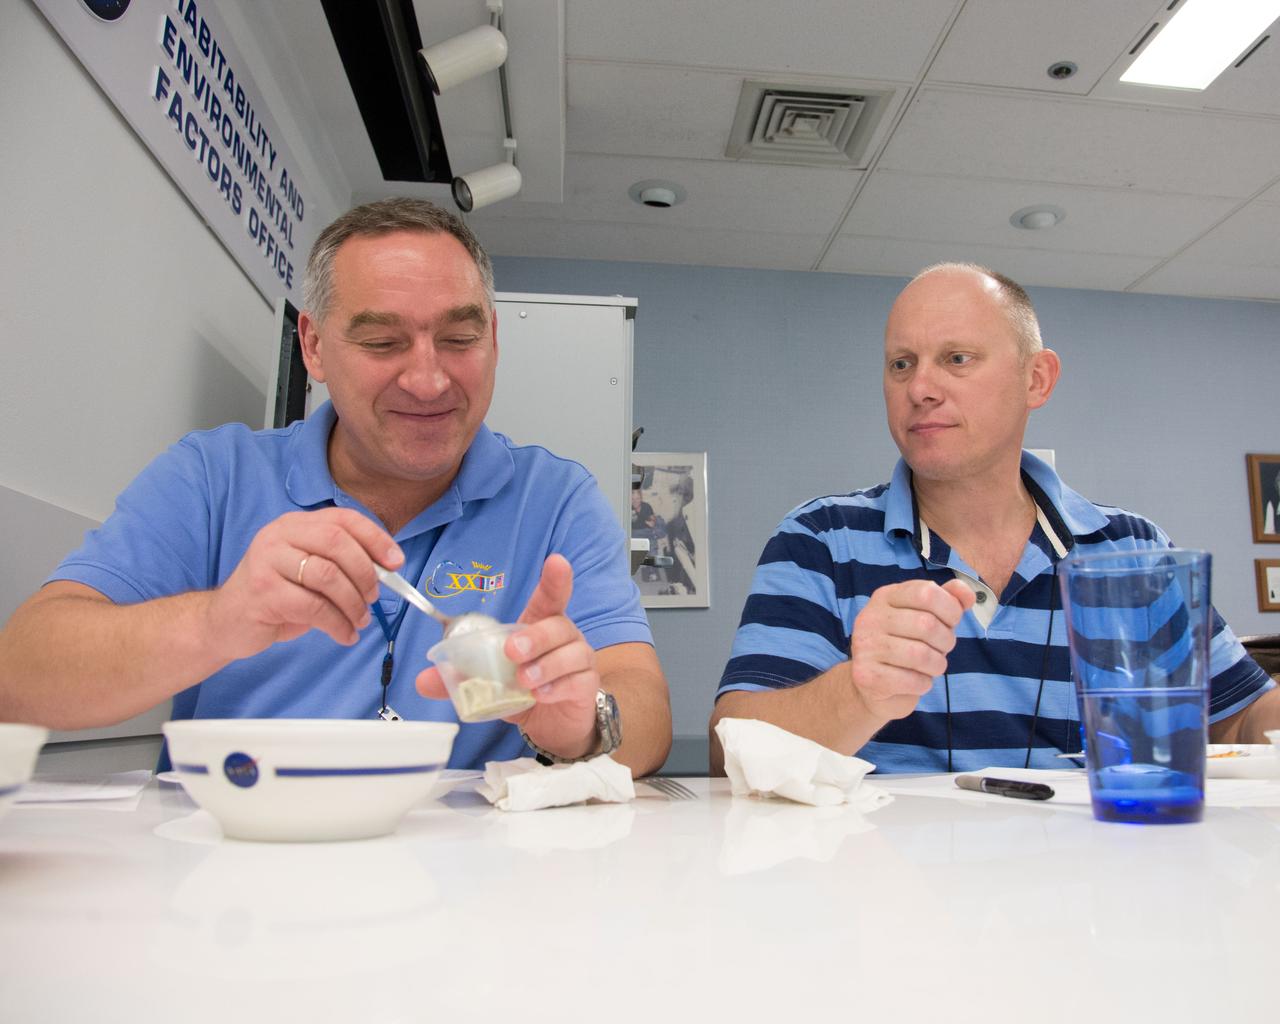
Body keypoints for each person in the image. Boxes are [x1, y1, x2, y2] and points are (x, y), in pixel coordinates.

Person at [0, 198, 672, 775]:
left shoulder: (554, 500)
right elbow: (20, 678)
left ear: (493, 340)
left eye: (459, 337)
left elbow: (646, 713)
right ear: (314, 346)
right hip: (238, 857)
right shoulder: (213, 477)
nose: (429, 380)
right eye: (382, 343)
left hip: (467, 871)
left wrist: (584, 727)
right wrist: (216, 622)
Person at [710, 262, 1278, 774]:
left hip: (1096, 855)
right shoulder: (820, 538)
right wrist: (858, 693)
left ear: (1037, 379)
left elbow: (1240, 718)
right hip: (886, 859)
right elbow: (728, 751)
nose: (920, 388)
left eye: (956, 359)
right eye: (901, 364)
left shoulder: (1134, 550)